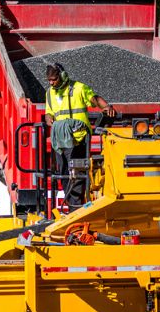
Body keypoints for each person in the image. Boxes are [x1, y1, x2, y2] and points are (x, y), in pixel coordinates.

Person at [45, 63, 116, 206]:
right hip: (61, 140)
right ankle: (71, 204)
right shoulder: (50, 93)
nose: (51, 83)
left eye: (54, 79)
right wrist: (48, 119)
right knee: (64, 174)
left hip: (79, 138)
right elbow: (49, 112)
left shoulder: (79, 88)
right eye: (49, 80)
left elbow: (94, 98)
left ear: (63, 76)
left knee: (77, 174)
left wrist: (106, 106)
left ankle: (75, 206)